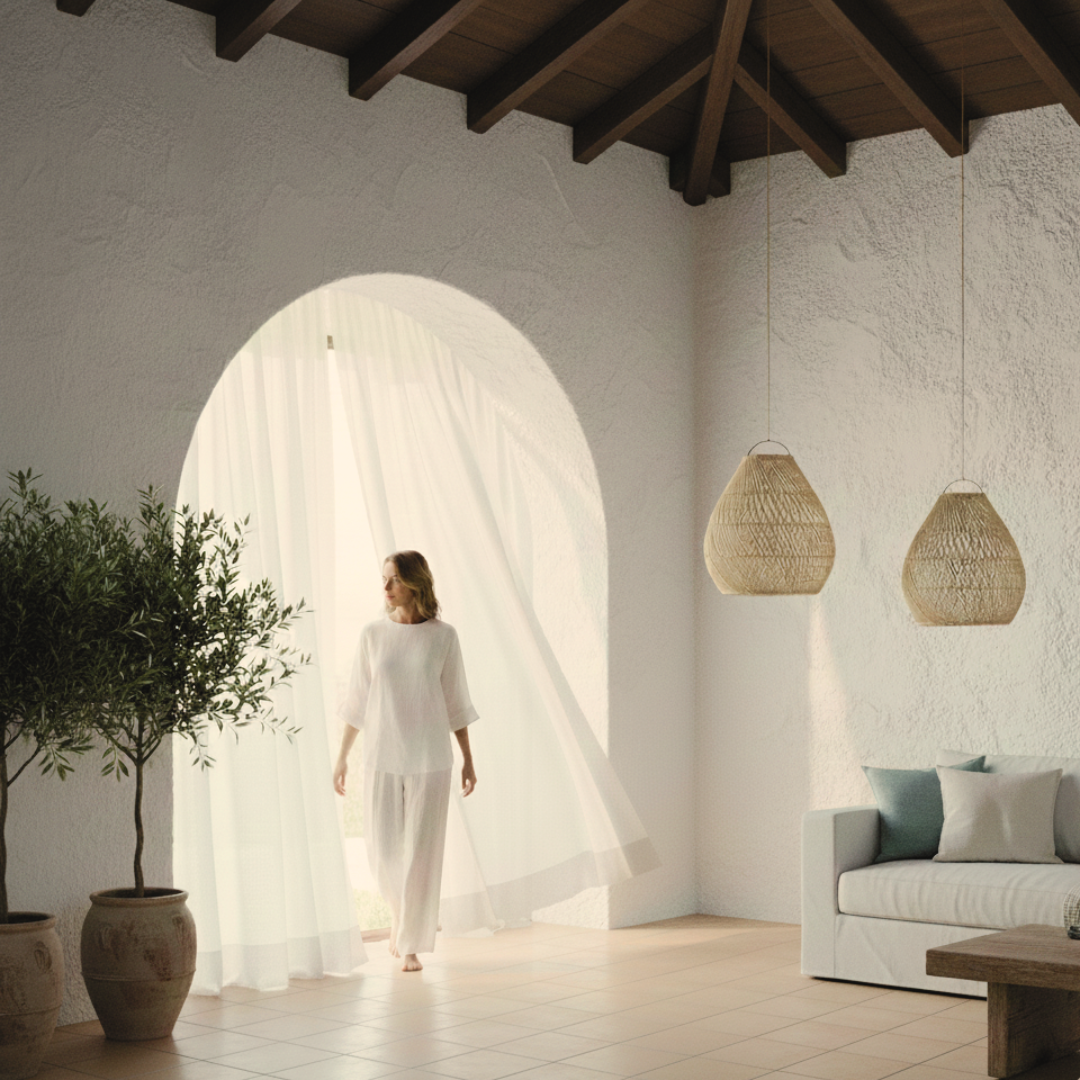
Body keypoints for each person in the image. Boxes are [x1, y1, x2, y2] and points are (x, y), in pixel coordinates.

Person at [333, 550, 477, 972]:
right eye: (384, 579)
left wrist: (468, 758)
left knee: (422, 853)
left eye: (392, 579)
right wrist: (341, 757)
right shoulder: (372, 635)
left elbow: (456, 703)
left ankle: (411, 942)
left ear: (414, 582)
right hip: (381, 755)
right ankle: (400, 914)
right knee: (381, 852)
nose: (385, 588)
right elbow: (356, 702)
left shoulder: (444, 637)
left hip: (431, 757)